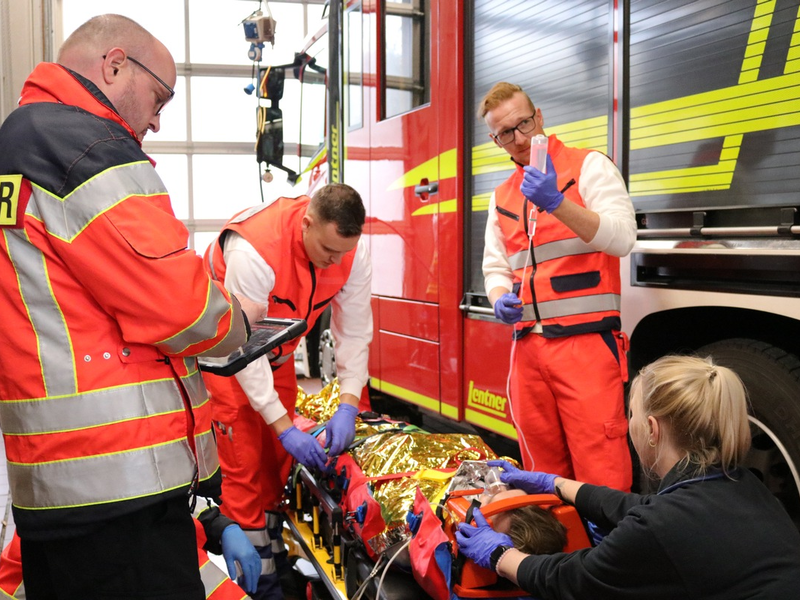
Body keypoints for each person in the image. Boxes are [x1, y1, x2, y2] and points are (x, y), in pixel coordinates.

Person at [0, 14, 266, 600]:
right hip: (118, 487)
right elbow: (186, 308)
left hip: (60, 486)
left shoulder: (18, 144)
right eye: (159, 96)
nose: (157, 118)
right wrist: (240, 319)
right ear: (115, 65)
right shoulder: (83, 147)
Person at [456, 355, 800, 599]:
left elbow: (572, 580)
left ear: (651, 429)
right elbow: (640, 505)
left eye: (631, 413)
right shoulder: (739, 483)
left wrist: (500, 556)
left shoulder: (660, 526)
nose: (627, 423)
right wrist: (555, 484)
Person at [203, 183, 373, 599]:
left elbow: (353, 332)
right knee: (244, 467)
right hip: (226, 360)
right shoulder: (254, 250)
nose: (335, 261)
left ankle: (276, 558)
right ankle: (259, 585)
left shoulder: (352, 252)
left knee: (275, 469)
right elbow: (243, 348)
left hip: (277, 359)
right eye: (328, 250)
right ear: (306, 223)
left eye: (343, 252)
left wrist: (349, 402)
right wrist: (283, 426)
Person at [479, 81, 637, 491]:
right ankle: (555, 555)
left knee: (601, 469)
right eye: (505, 133)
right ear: (495, 140)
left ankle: (606, 555)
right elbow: (495, 266)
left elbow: (622, 238)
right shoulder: (501, 196)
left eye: (524, 123)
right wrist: (498, 298)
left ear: (540, 117)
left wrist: (558, 204)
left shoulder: (589, 167)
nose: (519, 138)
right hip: (527, 351)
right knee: (541, 473)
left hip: (586, 347)